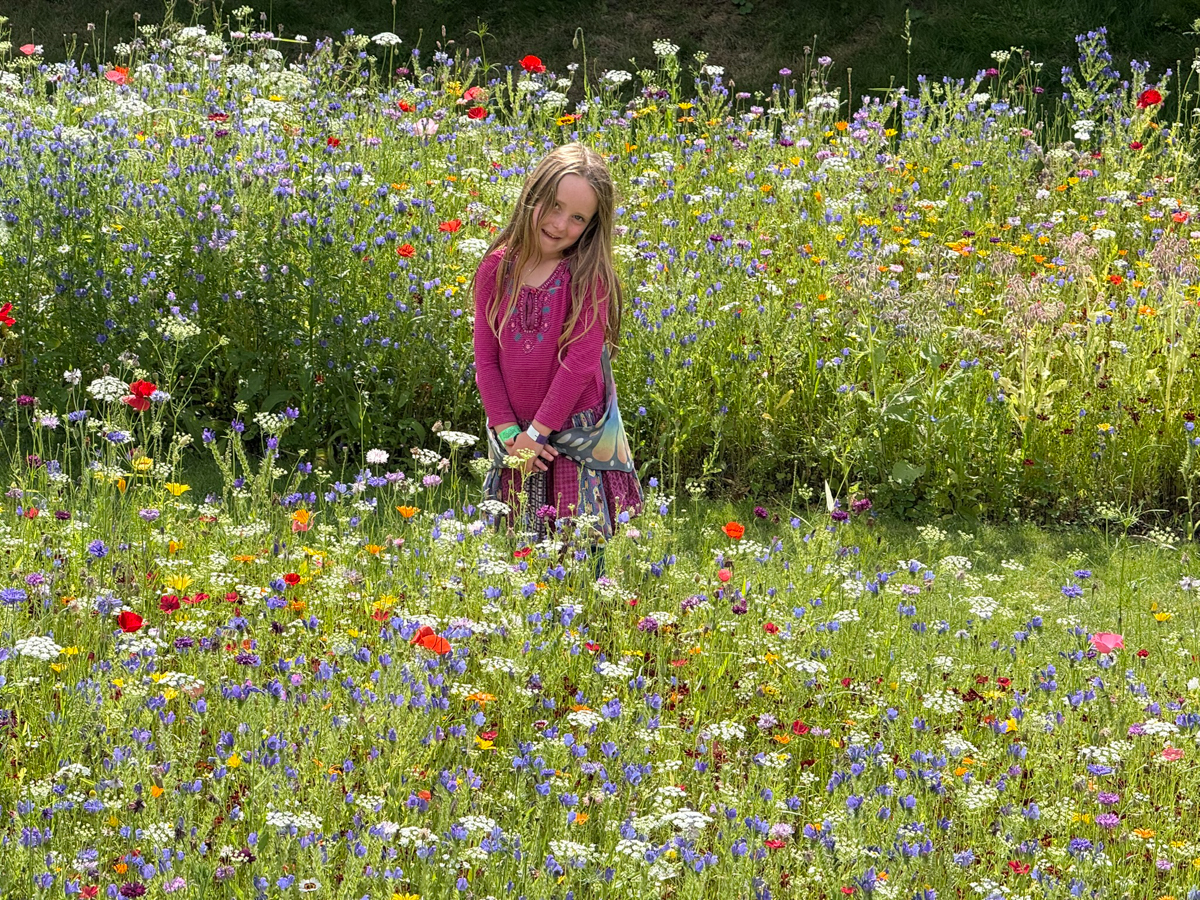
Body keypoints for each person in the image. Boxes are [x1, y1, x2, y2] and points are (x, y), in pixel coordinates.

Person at [472, 142, 642, 578]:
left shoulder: (586, 275)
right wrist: (511, 434)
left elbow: (580, 362)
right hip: (515, 439)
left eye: (578, 218)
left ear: (591, 226)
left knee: (581, 553)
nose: (560, 224)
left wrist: (538, 433)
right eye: (554, 206)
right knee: (520, 554)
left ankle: (589, 615)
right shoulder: (495, 269)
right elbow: (486, 360)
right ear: (533, 195)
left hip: (574, 436)